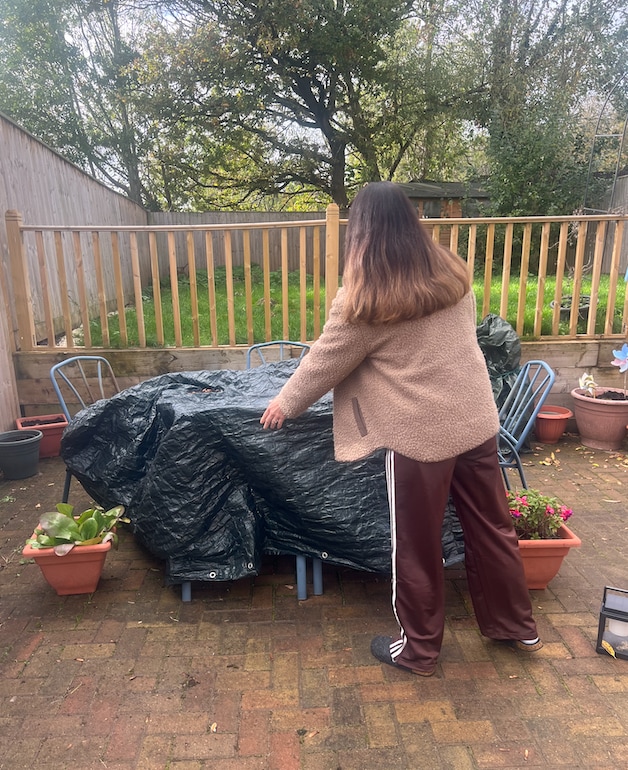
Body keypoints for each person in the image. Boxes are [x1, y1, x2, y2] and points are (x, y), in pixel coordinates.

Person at [260, 181, 540, 676]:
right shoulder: (452, 276)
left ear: (360, 232)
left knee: (417, 543)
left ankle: (418, 650)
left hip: (420, 438)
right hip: (476, 422)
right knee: (493, 528)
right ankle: (516, 626)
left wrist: (285, 401)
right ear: (411, 221)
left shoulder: (365, 300)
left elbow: (324, 362)